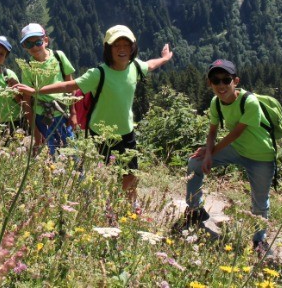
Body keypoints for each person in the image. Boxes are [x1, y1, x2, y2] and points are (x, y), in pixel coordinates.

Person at [17, 25, 173, 203]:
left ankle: (130, 205)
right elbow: (69, 86)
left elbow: (150, 65)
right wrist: (37, 91)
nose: (122, 49)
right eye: (116, 46)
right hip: (102, 132)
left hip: (127, 131)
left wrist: (165, 58)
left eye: (126, 45)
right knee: (114, 173)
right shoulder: (98, 74)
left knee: (131, 174)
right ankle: (109, 203)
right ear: (108, 49)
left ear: (133, 48)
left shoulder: (135, 67)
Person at [184, 59, 276, 256]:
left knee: (260, 201)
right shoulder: (216, 103)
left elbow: (236, 133)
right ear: (209, 84)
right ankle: (195, 210)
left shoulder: (249, 101)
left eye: (226, 80)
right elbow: (212, 131)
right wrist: (207, 153)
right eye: (215, 81)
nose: (221, 85)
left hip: (261, 155)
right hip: (237, 149)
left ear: (236, 81)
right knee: (195, 163)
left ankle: (259, 241)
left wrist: (212, 152)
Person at [16, 23, 77, 155]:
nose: (35, 47)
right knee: (51, 154)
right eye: (29, 44)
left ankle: (77, 175)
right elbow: (26, 100)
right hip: (41, 118)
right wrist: (35, 132)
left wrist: (73, 113)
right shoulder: (27, 67)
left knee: (72, 153)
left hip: (62, 114)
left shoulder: (59, 57)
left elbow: (70, 85)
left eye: (38, 42)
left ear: (46, 41)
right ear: (24, 47)